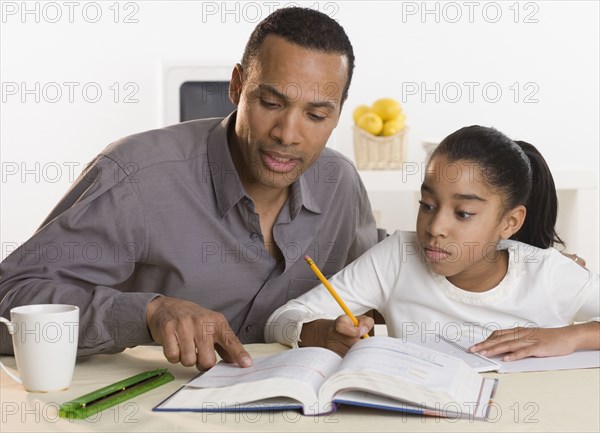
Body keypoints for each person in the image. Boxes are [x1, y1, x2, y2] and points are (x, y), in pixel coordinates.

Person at [0, 7, 380, 369]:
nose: (288, 134)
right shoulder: (136, 175)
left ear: (338, 115)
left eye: (316, 115)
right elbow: (8, 302)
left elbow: (381, 282)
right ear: (236, 86)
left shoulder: (340, 185)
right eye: (270, 102)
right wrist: (148, 313)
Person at [266, 125, 600, 361]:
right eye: (427, 205)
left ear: (509, 222)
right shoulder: (397, 258)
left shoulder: (549, 273)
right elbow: (281, 319)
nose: (435, 227)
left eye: (464, 213)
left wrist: (572, 337)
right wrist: (318, 332)